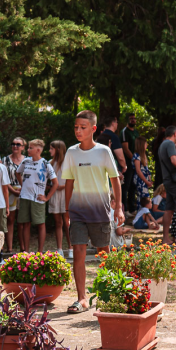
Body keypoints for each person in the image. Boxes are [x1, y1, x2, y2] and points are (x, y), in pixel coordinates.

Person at [60, 111, 124, 313]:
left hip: (100, 211)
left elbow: (115, 180)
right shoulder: (71, 152)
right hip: (78, 212)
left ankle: (109, 294)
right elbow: (69, 182)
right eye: (76, 127)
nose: (78, 131)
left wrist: (119, 207)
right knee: (78, 251)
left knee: (103, 253)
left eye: (83, 127)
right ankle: (82, 299)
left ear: (93, 129)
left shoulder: (104, 151)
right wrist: (67, 209)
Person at [16, 140, 58, 252]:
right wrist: (23, 185)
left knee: (40, 224)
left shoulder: (45, 163)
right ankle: (26, 252)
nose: (28, 150)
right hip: (25, 197)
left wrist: (47, 197)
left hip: (38, 198)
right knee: (25, 224)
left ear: (38, 150)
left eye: (30, 148)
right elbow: (17, 172)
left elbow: (55, 183)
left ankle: (39, 252)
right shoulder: (26, 161)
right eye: (29, 147)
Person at [47, 141, 71, 257]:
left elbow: (73, 180)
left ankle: (71, 248)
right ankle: (60, 249)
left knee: (67, 222)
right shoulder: (49, 163)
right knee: (58, 223)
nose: (49, 151)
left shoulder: (68, 163)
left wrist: (63, 186)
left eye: (51, 149)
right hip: (55, 195)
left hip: (67, 194)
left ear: (57, 149)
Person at [4, 137, 26, 252]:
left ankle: (23, 248)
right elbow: (2, 178)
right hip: (10, 190)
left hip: (24, 192)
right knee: (10, 220)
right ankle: (10, 248)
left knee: (22, 220)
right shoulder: (5, 160)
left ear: (23, 147)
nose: (15, 146)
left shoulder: (27, 160)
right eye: (13, 144)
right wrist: (12, 190)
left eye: (18, 144)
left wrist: (23, 189)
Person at [120, 113, 139, 213]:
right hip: (128, 163)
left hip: (136, 163)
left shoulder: (136, 132)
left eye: (134, 118)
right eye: (131, 118)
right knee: (126, 186)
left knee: (133, 186)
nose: (133, 120)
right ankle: (125, 209)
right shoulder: (124, 132)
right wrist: (134, 159)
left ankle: (132, 208)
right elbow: (125, 148)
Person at [133, 137, 153, 203]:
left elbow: (146, 169)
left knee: (145, 198)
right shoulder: (137, 156)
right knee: (144, 198)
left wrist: (149, 180)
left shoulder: (144, 155)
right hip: (140, 180)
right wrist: (146, 181)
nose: (147, 145)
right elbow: (138, 170)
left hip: (145, 179)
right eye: (145, 144)